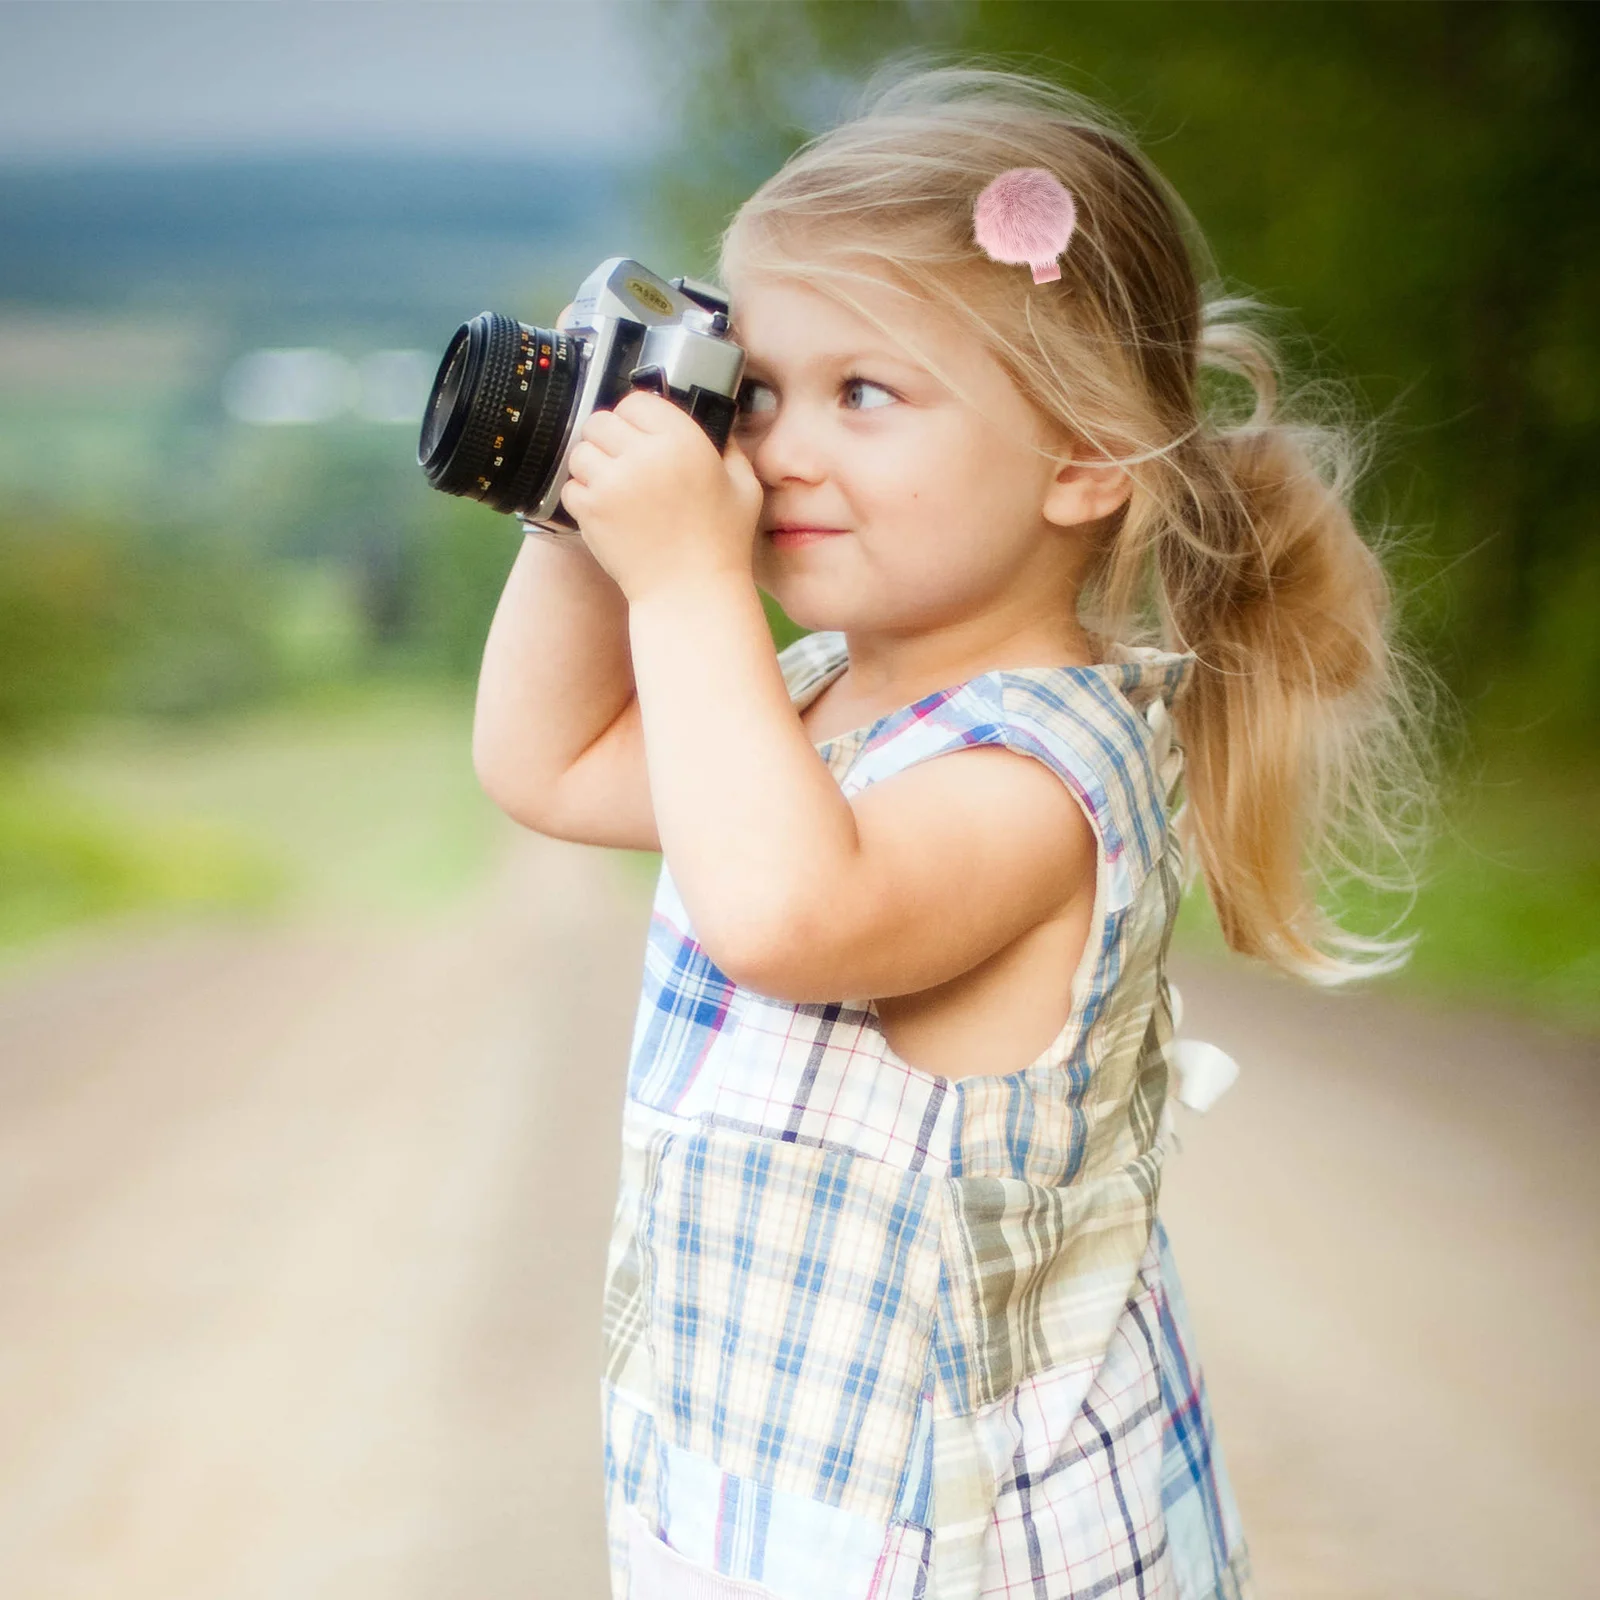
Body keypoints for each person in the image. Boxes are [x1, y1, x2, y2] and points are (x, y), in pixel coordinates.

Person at [473, 63, 1420, 1600]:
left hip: (975, 1549)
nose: (777, 449)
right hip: (756, 1495)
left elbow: (784, 915)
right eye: (760, 389)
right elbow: (549, 761)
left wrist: (688, 582)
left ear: (1083, 462)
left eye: (866, 394)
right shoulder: (807, 699)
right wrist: (590, 505)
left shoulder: (1046, 776)